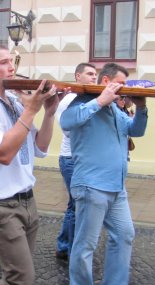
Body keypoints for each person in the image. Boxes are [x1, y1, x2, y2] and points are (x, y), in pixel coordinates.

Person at [0, 43, 69, 285]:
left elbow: (40, 147)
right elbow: (4, 154)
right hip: (0, 206)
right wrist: (32, 108)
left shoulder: (13, 101)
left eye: (12, 61)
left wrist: (49, 113)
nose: (12, 67)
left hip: (27, 201)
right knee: (20, 279)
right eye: (4, 62)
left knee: (17, 278)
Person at [61, 63, 148, 285]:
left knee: (124, 235)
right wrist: (100, 100)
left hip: (116, 187)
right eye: (121, 83)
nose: (124, 89)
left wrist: (141, 108)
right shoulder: (81, 102)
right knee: (85, 246)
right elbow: (66, 122)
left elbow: (135, 131)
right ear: (106, 81)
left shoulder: (116, 110)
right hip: (91, 186)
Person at [55, 63, 97, 260]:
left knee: (74, 204)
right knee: (76, 205)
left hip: (83, 158)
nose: (93, 77)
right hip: (71, 158)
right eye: (89, 74)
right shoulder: (70, 99)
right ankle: (72, 249)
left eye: (95, 74)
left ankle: (64, 245)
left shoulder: (90, 98)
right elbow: (69, 130)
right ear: (78, 76)